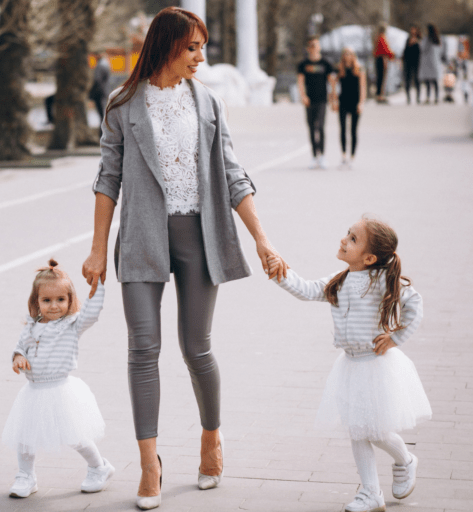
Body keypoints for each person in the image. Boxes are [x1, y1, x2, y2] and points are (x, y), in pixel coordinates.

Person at [82, 6, 288, 510]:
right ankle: (149, 464)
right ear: (167, 46)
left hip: (200, 234)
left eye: (203, 48)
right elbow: (109, 179)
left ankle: (211, 438)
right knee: (142, 348)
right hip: (141, 238)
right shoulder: (122, 103)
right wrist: (94, 249)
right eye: (193, 47)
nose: (201, 57)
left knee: (196, 348)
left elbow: (234, 175)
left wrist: (262, 238)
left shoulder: (208, 102)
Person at [266, 217, 431, 512]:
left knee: (375, 431)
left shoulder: (381, 281)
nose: (344, 239)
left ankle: (405, 460)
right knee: (359, 430)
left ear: (369, 258)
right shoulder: (338, 281)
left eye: (353, 239)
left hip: (376, 366)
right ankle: (371, 493)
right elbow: (306, 289)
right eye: (347, 234)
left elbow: (414, 303)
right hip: (351, 366)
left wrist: (397, 337)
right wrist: (281, 274)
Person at [2, 260, 114, 498]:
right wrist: (18, 358)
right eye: (47, 300)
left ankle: (99, 467)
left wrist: (98, 284)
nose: (54, 306)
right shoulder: (32, 325)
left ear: (70, 300)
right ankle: (26, 476)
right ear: (36, 302)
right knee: (25, 437)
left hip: (61, 390)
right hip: (33, 391)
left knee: (76, 435)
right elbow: (20, 347)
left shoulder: (72, 325)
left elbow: (92, 313)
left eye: (61, 300)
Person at [297, 36, 335, 169]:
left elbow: (332, 81)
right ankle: (314, 156)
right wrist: (303, 96)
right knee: (312, 127)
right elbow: (300, 81)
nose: (314, 48)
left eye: (316, 45)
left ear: (319, 47)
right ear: (308, 48)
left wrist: (333, 98)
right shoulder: (304, 64)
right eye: (311, 45)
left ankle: (322, 155)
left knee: (321, 126)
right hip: (309, 100)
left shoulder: (325, 63)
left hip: (322, 100)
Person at [331, 47, 366, 168]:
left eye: (351, 54)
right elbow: (333, 86)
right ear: (343, 56)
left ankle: (352, 157)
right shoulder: (339, 69)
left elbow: (362, 87)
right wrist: (334, 101)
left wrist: (361, 103)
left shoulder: (359, 69)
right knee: (343, 129)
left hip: (355, 102)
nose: (348, 56)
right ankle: (344, 156)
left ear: (354, 55)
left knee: (353, 130)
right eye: (346, 54)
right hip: (343, 102)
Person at [419, 24, 443, 104]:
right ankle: (436, 97)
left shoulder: (427, 39)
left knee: (428, 81)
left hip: (428, 62)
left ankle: (428, 97)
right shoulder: (437, 39)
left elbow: (422, 48)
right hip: (435, 62)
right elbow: (441, 51)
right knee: (435, 81)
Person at [89, 52, 112, 137]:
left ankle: (103, 134)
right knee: (103, 114)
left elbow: (97, 80)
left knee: (102, 114)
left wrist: (91, 93)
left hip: (100, 93)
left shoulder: (100, 66)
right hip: (104, 92)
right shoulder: (106, 64)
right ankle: (103, 134)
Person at [373, 25, 395, 103]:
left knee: (380, 77)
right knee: (381, 77)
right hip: (381, 59)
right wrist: (392, 54)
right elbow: (385, 49)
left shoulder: (378, 37)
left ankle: (380, 94)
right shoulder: (382, 37)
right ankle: (380, 95)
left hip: (379, 59)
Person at [402, 25, 421, 105]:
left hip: (416, 62)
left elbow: (421, 51)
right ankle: (408, 97)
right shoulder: (408, 40)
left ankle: (418, 97)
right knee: (408, 80)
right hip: (408, 62)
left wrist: (417, 43)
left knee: (417, 79)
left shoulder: (419, 40)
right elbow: (405, 51)